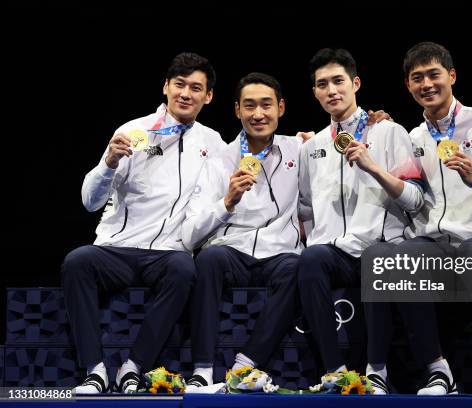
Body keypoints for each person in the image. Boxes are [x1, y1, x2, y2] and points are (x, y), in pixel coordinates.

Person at [61, 52, 226, 394]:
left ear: (208, 96)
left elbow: (251, 156)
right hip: (117, 250)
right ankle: (94, 370)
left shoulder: (213, 143)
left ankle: (133, 367)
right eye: (179, 84)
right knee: (77, 261)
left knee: (185, 269)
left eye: (196, 88)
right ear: (166, 87)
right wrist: (108, 163)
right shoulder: (133, 131)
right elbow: (89, 201)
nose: (186, 93)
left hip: (167, 254)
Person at [376, 41, 472, 396]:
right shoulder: (413, 138)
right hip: (436, 243)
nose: (427, 84)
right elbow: (413, 200)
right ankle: (437, 370)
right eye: (417, 78)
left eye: (434, 75)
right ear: (408, 86)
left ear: (452, 76)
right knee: (396, 259)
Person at [297, 48, 424, 395]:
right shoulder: (312, 147)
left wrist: (373, 168)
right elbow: (306, 207)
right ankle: (335, 371)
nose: (331, 90)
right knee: (310, 259)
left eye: (338, 81)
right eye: (322, 84)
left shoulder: (390, 132)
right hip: (336, 254)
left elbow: (415, 199)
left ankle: (377, 372)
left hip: (380, 249)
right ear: (315, 93)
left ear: (355, 83)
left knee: (376, 257)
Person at [181, 72, 303, 391]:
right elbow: (189, 236)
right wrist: (228, 201)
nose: (258, 114)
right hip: (232, 251)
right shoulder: (219, 160)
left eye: (266, 105)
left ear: (281, 108)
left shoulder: (299, 150)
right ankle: (203, 369)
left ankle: (246, 363)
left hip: (279, 253)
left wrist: (374, 119)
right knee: (208, 259)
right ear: (237, 110)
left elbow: (341, 137)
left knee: (298, 266)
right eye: (249, 106)